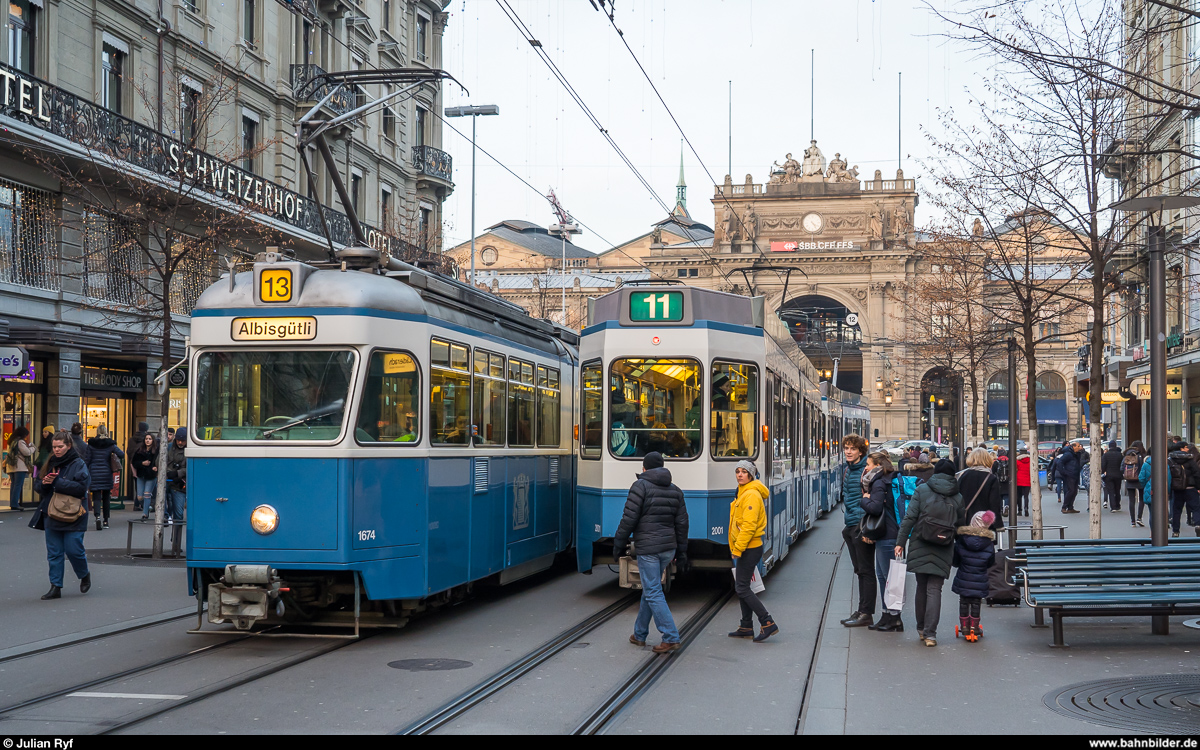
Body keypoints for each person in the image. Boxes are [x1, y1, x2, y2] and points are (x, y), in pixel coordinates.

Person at [613, 451, 689, 653]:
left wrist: (618, 544)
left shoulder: (640, 486)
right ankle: (639, 634)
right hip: (667, 549)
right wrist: (682, 552)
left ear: (644, 468)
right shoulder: (675, 490)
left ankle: (671, 636)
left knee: (653, 590)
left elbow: (629, 518)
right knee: (650, 588)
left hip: (648, 549)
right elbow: (682, 524)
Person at [894, 459, 964, 647]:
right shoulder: (957, 496)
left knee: (921, 586)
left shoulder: (922, 490)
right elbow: (960, 525)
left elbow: (909, 518)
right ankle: (931, 634)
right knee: (935, 589)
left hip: (920, 542)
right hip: (944, 545)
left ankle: (921, 628)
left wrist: (900, 542)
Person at [35, 430, 92, 600]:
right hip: (51, 512)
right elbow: (39, 486)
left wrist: (57, 482)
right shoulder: (50, 462)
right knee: (54, 552)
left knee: (73, 549)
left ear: (68, 446)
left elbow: (82, 488)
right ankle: (55, 586)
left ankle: (84, 574)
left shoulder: (78, 463)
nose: (57, 450)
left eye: (60, 447)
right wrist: (44, 484)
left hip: (74, 513)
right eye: (54, 447)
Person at [727, 460, 778, 642]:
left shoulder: (751, 495)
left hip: (749, 547)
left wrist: (738, 549)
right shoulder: (743, 492)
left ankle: (767, 622)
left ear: (751, 475)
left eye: (744, 472)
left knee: (741, 587)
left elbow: (748, 526)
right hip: (747, 546)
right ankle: (746, 625)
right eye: (738, 471)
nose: (740, 474)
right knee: (743, 586)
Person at [859, 451, 902, 632]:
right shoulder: (891, 478)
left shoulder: (878, 482)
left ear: (877, 465)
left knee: (887, 578)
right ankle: (888, 616)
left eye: (868, 464)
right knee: (886, 576)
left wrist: (864, 500)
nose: (866, 468)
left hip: (886, 534)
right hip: (891, 532)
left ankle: (893, 618)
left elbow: (875, 508)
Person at [838, 434, 875, 628]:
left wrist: (863, 523)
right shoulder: (848, 470)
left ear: (861, 451)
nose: (848, 451)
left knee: (866, 570)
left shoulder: (864, 471)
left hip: (862, 525)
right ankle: (862, 609)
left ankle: (866, 612)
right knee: (860, 570)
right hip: (852, 525)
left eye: (852, 448)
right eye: (846, 448)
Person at [952, 510, 996, 643]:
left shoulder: (962, 540)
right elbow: (991, 562)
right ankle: (974, 627)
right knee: (976, 602)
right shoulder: (988, 543)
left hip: (964, 578)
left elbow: (956, 560)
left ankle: (964, 627)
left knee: (964, 601)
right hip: (980, 578)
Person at [85, 425, 124, 531]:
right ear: (106, 432)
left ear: (97, 432)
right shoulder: (110, 444)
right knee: (106, 498)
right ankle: (106, 520)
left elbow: (87, 459)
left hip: (94, 473)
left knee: (96, 497)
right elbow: (122, 454)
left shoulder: (91, 444)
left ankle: (97, 516)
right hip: (106, 473)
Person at [958, 448, 1002, 533]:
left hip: (966, 521)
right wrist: (998, 524)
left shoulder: (963, 476)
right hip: (985, 523)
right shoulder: (991, 478)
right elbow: (994, 504)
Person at [1168, 441, 1200, 538]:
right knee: (1196, 508)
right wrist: (1198, 487)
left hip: (1177, 489)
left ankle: (1176, 530)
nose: (1187, 449)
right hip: (1190, 488)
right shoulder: (1190, 460)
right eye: (1186, 447)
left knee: (1177, 510)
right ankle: (1198, 524)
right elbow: (1197, 474)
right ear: (1181, 448)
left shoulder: (1171, 460)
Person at [131, 432, 159, 521]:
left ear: (153, 440)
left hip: (151, 475)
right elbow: (134, 462)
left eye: (150, 439)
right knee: (140, 496)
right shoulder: (139, 450)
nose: (148, 440)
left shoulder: (156, 451)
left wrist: (156, 467)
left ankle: (145, 514)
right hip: (141, 475)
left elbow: (159, 461)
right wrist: (142, 463)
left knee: (147, 494)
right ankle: (147, 507)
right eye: (146, 439)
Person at [165, 427, 187, 525]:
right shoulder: (169, 448)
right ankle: (166, 516)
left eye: (183, 441)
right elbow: (160, 462)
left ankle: (176, 538)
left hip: (180, 484)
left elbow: (192, 467)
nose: (180, 443)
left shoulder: (190, 450)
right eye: (179, 440)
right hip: (169, 481)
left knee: (179, 514)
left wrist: (178, 474)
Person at [6, 426, 32, 510]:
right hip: (20, 467)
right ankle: (15, 504)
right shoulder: (20, 442)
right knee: (18, 485)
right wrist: (32, 448)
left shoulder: (11, 441)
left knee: (13, 485)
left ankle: (12, 503)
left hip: (11, 466)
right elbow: (27, 452)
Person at [127, 421, 150, 511]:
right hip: (143, 463)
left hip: (133, 463)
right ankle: (140, 504)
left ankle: (137, 503)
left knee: (137, 483)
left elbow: (128, 451)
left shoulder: (132, 439)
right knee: (145, 484)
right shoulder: (146, 439)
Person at [1123, 441, 1147, 527]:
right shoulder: (1142, 455)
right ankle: (1139, 518)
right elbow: (1144, 468)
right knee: (1141, 499)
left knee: (1131, 500)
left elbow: (1122, 467)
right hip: (1140, 480)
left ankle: (1132, 521)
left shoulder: (1127, 455)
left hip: (1129, 479)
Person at [1059, 441, 1084, 513]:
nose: (1080, 447)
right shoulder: (1068, 454)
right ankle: (1064, 507)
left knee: (1075, 491)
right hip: (1070, 474)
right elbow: (1060, 462)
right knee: (1071, 490)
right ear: (1074, 447)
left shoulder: (1076, 454)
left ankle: (1070, 507)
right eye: (1078, 446)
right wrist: (1063, 472)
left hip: (1075, 474)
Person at [1101, 440, 1124, 513]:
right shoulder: (1120, 455)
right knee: (1117, 490)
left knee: (1111, 491)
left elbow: (1103, 465)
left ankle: (1113, 507)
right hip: (1118, 475)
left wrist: (1104, 471)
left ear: (1109, 446)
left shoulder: (1106, 455)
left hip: (1109, 475)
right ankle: (1118, 505)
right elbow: (1122, 465)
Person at [1015, 449, 1032, 517]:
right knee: (1026, 496)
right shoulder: (1030, 461)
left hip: (1019, 480)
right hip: (1027, 480)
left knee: (1019, 496)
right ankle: (1026, 508)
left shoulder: (1017, 461)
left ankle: (1019, 510)